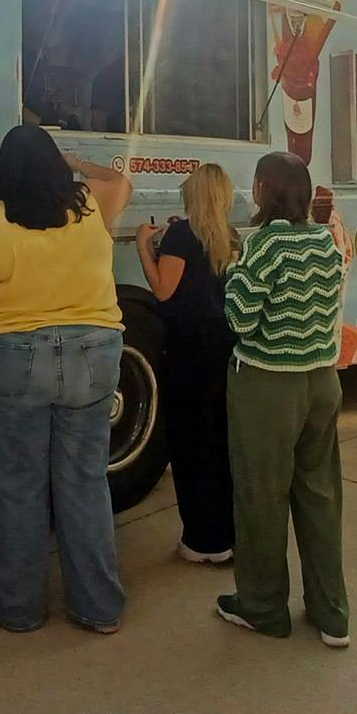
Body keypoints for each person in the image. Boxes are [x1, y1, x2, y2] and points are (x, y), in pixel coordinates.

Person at [0, 126, 134, 633]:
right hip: (95, 352)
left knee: (18, 487)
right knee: (84, 481)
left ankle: (19, 609)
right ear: (56, 166)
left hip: (13, 358)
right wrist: (78, 163)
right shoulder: (92, 205)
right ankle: (99, 607)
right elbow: (123, 180)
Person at [215, 152, 353, 646]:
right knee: (320, 497)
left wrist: (233, 273)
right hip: (322, 381)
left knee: (261, 498)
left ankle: (263, 607)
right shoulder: (324, 239)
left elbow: (240, 319)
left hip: (268, 387)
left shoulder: (263, 245)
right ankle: (331, 613)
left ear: (262, 191)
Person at [135, 164, 239, 564]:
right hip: (223, 347)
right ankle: (228, 535)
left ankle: (201, 540)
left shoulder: (179, 234)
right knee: (219, 441)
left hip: (187, 351)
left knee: (189, 443)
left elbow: (163, 290)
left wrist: (145, 247)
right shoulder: (228, 237)